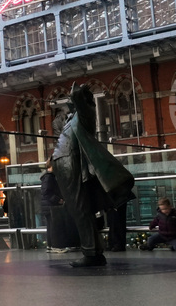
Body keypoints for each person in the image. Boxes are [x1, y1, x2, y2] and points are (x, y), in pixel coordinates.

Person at [52, 83, 136, 268]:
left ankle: (91, 253)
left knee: (80, 210)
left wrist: (78, 93)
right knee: (79, 210)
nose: (66, 112)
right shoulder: (71, 121)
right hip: (66, 166)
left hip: (72, 165)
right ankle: (93, 251)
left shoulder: (85, 116)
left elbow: (80, 101)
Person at [41, 157, 80, 253]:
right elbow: (46, 192)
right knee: (53, 226)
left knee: (51, 226)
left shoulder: (48, 176)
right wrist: (58, 200)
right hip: (51, 205)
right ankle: (55, 246)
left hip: (48, 205)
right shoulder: (49, 177)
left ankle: (51, 245)